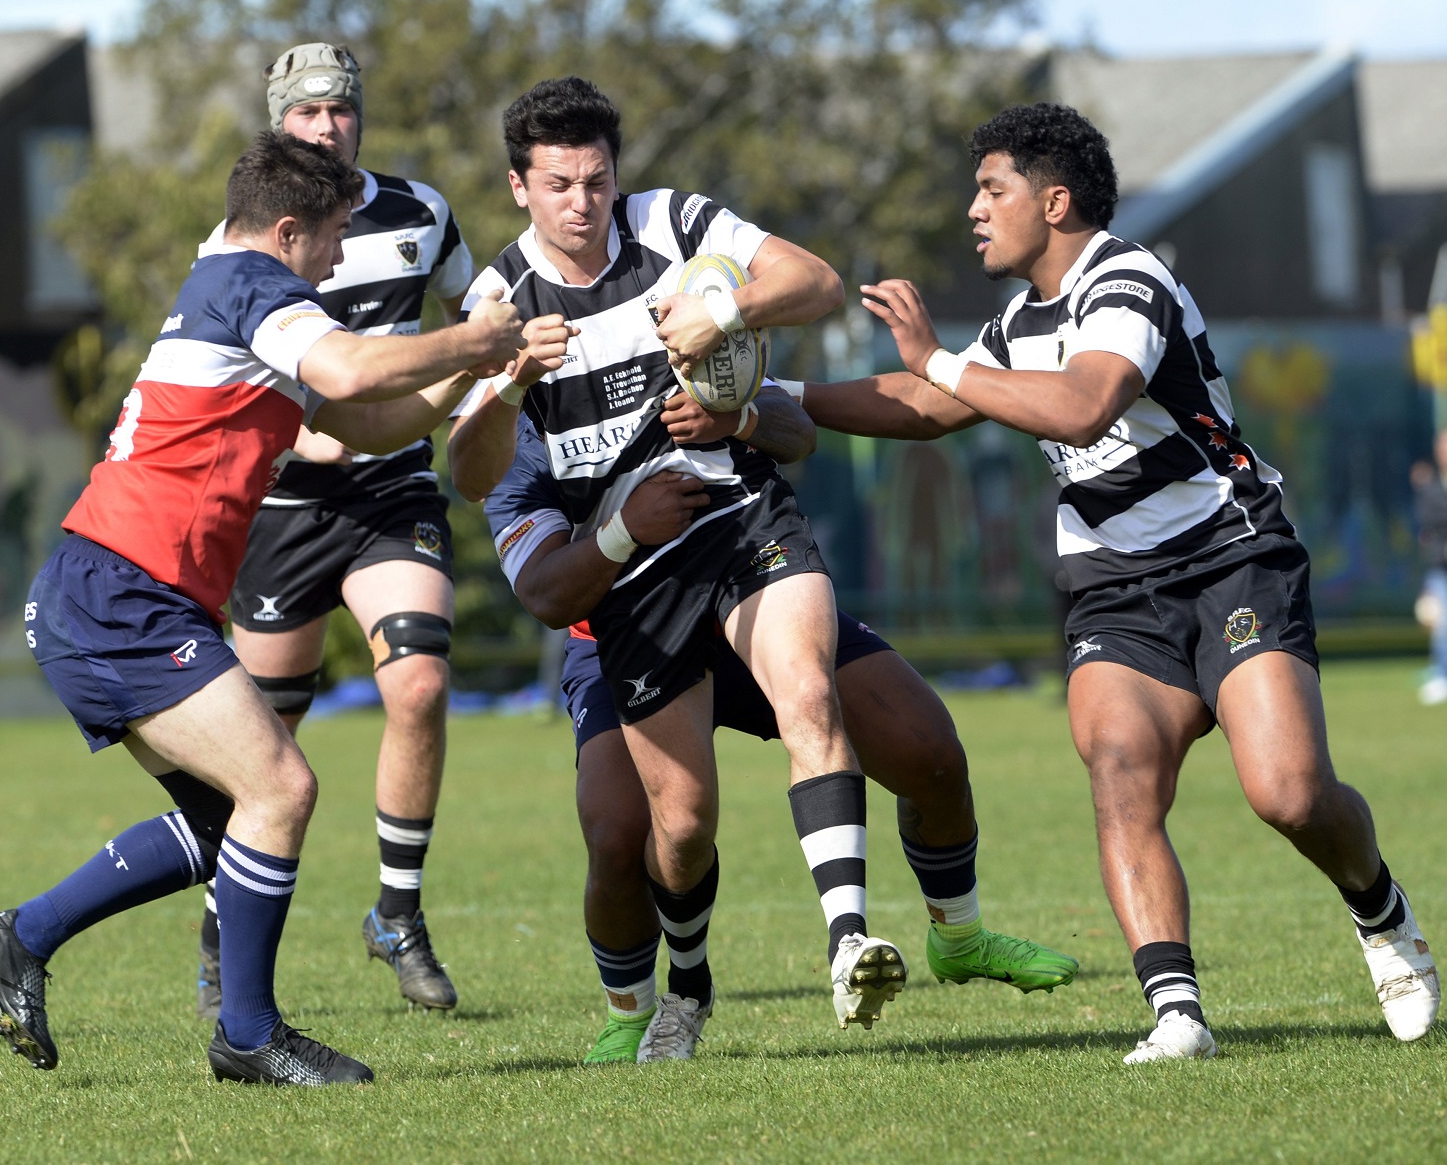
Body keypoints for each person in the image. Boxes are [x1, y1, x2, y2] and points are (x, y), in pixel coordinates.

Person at [791, 102, 1440, 1062]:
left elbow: (1083, 404)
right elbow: (931, 406)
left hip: (1229, 557)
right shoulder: (1019, 318)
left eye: (991, 189)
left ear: (1053, 201)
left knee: (1290, 795)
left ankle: (1380, 913)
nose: (973, 209)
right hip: (1112, 591)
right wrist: (771, 402)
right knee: (1120, 774)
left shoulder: (1131, 278)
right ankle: (1176, 1011)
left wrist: (937, 357)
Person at [0, 131, 522, 1085]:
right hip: (120, 594)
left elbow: (370, 421)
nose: (343, 256)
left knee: (228, 819)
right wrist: (471, 332)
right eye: (335, 236)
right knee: (282, 790)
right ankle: (249, 1036)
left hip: (116, 593)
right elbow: (347, 374)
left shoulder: (245, 298)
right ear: (289, 229)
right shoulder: (254, 288)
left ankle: (25, 936)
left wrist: (477, 373)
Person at [448, 76, 908, 1037]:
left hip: (739, 518)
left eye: (597, 179)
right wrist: (504, 384)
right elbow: (470, 475)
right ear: (518, 187)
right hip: (633, 576)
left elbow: (816, 284)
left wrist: (725, 317)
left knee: (810, 697)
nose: (583, 203)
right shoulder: (494, 302)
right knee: (678, 824)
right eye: (561, 184)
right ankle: (687, 987)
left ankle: (848, 941)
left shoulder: (673, 223)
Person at [478, 400, 1078, 1062]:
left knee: (928, 751)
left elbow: (797, 433)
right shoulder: (509, 438)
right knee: (623, 832)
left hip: (747, 589)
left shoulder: (661, 345)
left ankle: (958, 938)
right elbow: (545, 595)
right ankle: (646, 1006)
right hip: (627, 636)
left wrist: (735, 416)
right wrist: (621, 530)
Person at [193, 43, 478, 1017]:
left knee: (421, 678)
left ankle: (396, 912)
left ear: (361, 118)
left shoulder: (423, 212)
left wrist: (485, 373)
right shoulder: (237, 238)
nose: (327, 126)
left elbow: (476, 311)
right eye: (307, 112)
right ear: (279, 123)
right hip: (280, 507)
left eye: (341, 110)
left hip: (394, 487)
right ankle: (223, 921)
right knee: (263, 738)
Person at [1409, 430, 1447, 705]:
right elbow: (1427, 526)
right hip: (1440, 567)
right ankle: (1442, 674)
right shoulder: (1431, 487)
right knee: (1441, 623)